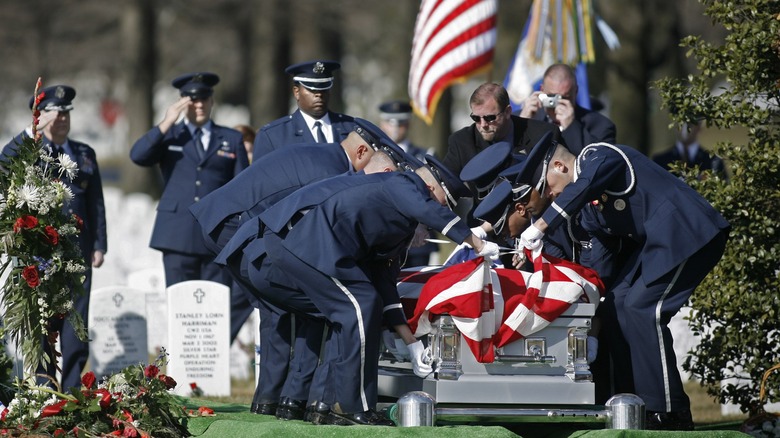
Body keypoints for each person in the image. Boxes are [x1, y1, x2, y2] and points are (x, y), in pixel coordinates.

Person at [257, 158, 500, 426]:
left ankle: (326, 406)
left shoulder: (399, 219)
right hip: (310, 244)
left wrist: (411, 342)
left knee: (363, 306)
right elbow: (428, 209)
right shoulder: (404, 183)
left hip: (318, 249)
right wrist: (475, 242)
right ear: (432, 187)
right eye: (444, 201)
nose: (441, 208)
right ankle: (353, 408)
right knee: (359, 308)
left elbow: (384, 283)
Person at [190, 119, 404, 421]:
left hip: (222, 221)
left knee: (283, 312)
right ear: (360, 152)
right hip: (234, 224)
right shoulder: (334, 171)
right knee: (324, 304)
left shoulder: (322, 155)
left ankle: (274, 400)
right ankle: (306, 400)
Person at [514, 137, 730, 430]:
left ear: (560, 165)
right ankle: (634, 403)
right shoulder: (588, 209)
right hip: (657, 244)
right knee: (616, 305)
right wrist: (587, 302)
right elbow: (599, 266)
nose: (550, 196)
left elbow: (585, 185)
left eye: (547, 187)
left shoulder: (599, 155)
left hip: (687, 232)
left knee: (644, 309)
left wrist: (540, 226)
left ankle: (669, 411)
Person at [130, 72, 250, 342]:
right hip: (177, 234)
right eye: (192, 99)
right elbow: (138, 156)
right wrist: (166, 123)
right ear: (182, 102)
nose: (199, 105)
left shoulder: (229, 139)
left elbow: (242, 187)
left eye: (204, 98)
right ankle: (180, 370)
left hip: (216, 236)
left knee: (215, 308)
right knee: (180, 308)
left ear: (212, 101)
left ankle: (211, 367)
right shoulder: (170, 135)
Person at [3, 85, 107, 390]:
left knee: (76, 322)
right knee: (43, 319)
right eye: (55, 112)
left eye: (66, 113)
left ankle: (73, 386)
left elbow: (96, 204)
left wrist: (100, 244)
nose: (62, 118)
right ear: (41, 115)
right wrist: (29, 131)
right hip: (41, 252)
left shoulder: (85, 154)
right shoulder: (30, 149)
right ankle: (44, 386)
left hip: (78, 252)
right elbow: (3, 164)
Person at [442, 83, 563, 226]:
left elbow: (560, 186)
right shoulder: (462, 142)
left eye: (490, 118)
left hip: (537, 224)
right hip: (485, 229)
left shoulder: (543, 135)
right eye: (476, 118)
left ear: (507, 112)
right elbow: (444, 188)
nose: (482, 125)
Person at [253, 60, 356, 159]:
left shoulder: (353, 128)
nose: (319, 94)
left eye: (323, 88)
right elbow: (262, 175)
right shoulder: (273, 136)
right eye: (312, 89)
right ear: (296, 92)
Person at [378, 100, 438, 267]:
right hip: (386, 237)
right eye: (390, 123)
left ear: (408, 123)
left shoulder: (425, 156)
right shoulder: (374, 155)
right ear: (382, 124)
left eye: (401, 123)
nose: (396, 128)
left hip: (420, 240)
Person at [518, 63, 616, 155]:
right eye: (553, 97)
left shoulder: (601, 126)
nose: (558, 104)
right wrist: (522, 124)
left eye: (565, 98)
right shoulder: (521, 117)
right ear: (542, 90)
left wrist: (571, 127)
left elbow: (600, 164)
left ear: (576, 91)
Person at [652, 120, 727, 180]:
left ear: (699, 127)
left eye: (689, 124)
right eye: (681, 123)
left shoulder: (714, 162)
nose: (685, 128)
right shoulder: (659, 161)